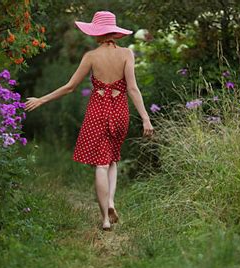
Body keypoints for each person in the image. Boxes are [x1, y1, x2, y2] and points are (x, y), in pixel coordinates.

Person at [24, 11, 154, 231]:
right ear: (114, 32)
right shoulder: (126, 55)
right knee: (113, 159)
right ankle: (111, 201)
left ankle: (104, 218)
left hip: (97, 112)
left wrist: (41, 99)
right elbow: (132, 88)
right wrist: (145, 118)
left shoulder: (91, 56)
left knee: (101, 165)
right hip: (120, 111)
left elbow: (70, 87)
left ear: (97, 33)